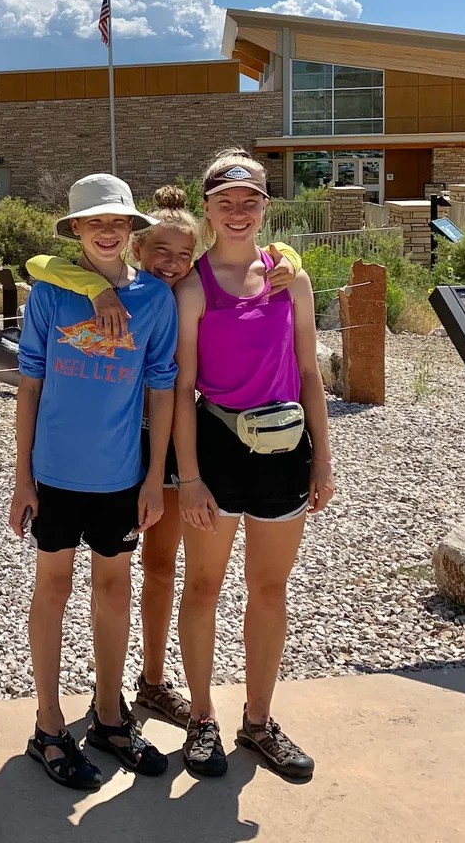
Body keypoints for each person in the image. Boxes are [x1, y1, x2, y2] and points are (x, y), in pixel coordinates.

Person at [26, 189, 303, 730]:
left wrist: (288, 256)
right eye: (161, 253)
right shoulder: (124, 288)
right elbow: (43, 263)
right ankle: (137, 684)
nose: (172, 264)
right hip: (128, 443)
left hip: (181, 437)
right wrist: (93, 288)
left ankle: (152, 681)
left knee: (160, 565)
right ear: (139, 247)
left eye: (183, 255)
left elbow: (259, 259)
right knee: (147, 563)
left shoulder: (182, 288)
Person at [9, 173, 179, 788]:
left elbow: (161, 389)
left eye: (118, 222)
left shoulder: (155, 301)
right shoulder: (51, 293)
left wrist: (154, 479)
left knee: (114, 589)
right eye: (94, 222)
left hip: (120, 477)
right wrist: (22, 476)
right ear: (76, 229)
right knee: (52, 589)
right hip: (54, 475)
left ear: (132, 230)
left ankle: (109, 716)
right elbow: (30, 385)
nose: (107, 232)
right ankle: (48, 725)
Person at [172, 150, 335, 781]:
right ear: (208, 206)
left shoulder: (290, 279)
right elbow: (184, 384)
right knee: (205, 588)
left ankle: (259, 720)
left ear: (266, 206)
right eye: (225, 203)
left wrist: (323, 459)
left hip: (283, 452)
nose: (238, 214)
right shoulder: (195, 286)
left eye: (250, 202)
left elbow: (312, 373)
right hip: (217, 450)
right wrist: (188, 475)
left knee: (270, 590)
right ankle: (202, 719)